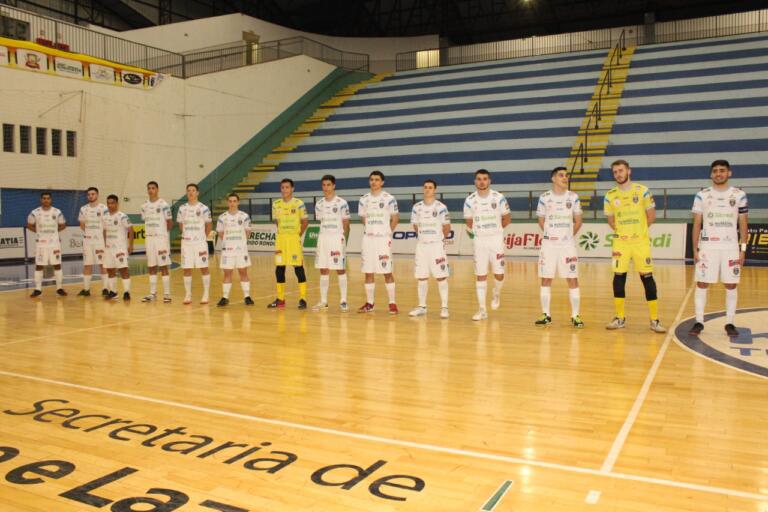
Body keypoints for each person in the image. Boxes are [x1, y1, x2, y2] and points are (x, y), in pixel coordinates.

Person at [603, 159, 666, 332]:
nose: (618, 174)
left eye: (621, 170)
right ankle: (620, 318)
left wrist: (638, 232)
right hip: (620, 244)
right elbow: (611, 220)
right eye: (615, 172)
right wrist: (623, 233)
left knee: (647, 278)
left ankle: (654, 320)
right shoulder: (610, 195)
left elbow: (651, 216)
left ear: (628, 171)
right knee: (618, 278)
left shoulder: (643, 191)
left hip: (640, 243)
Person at [689, 160, 748, 337]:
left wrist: (743, 249)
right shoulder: (702, 195)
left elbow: (743, 223)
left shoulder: (739, 195)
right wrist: (695, 249)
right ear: (711, 174)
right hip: (708, 247)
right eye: (715, 171)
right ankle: (699, 321)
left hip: (730, 247)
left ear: (729, 173)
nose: (718, 173)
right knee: (702, 283)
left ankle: (730, 322)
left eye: (722, 170)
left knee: (731, 284)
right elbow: (697, 223)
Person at [535, 167, 584, 327]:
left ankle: (575, 315)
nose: (565, 178)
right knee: (546, 278)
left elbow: (578, 221)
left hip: (567, 245)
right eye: (561, 175)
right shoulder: (544, 198)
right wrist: (550, 235)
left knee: (572, 278)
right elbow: (541, 220)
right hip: (548, 245)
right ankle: (546, 315)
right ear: (553, 179)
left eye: (566, 175)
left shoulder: (573, 197)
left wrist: (568, 236)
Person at [463, 169, 510, 321]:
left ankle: (496, 293)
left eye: (484, 179)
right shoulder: (469, 200)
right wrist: (477, 234)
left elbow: (507, 218)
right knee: (480, 275)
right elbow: (469, 222)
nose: (482, 181)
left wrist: (496, 231)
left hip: (496, 240)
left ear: (489, 181)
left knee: (499, 274)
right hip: (480, 241)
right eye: (479, 179)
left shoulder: (499, 197)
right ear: (475, 182)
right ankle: (482, 309)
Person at [357, 170, 399, 314]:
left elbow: (395, 218)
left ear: (382, 182)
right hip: (368, 239)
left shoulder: (389, 198)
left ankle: (392, 303)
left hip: (383, 239)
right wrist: (371, 230)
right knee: (368, 271)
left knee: (387, 271)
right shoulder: (363, 199)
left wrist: (387, 232)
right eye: (372, 179)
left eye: (376, 179)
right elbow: (363, 218)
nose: (373, 182)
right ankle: (370, 303)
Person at [409, 179, 451, 319]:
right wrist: (424, 237)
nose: (427, 189)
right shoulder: (416, 207)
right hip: (421, 246)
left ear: (435, 190)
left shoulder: (441, 207)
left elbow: (447, 227)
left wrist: (438, 240)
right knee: (422, 277)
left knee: (441, 276)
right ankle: (422, 306)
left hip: (436, 246)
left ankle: (444, 307)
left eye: (430, 187)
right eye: (425, 187)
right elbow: (415, 226)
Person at [312, 175, 350, 312]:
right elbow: (320, 221)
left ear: (334, 186)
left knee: (340, 268)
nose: (326, 188)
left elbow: (346, 224)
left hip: (337, 238)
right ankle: (323, 301)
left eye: (328, 185)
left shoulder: (342, 203)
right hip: (323, 238)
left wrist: (342, 239)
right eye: (324, 185)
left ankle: (343, 300)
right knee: (323, 269)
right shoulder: (319, 204)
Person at [268, 178, 309, 309]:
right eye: (282, 187)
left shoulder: (299, 204)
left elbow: (305, 222)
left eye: (287, 187)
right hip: (281, 240)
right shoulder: (276, 204)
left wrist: (297, 235)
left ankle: (303, 299)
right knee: (279, 268)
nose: (284, 190)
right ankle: (280, 299)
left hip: (293, 240)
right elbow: (276, 221)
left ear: (292, 189)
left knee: (298, 268)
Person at [216, 193, 254, 307]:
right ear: (227, 202)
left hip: (241, 250)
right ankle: (225, 297)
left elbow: (248, 232)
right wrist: (229, 242)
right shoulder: (222, 217)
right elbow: (220, 233)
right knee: (227, 273)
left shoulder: (244, 216)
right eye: (230, 201)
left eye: (234, 201)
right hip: (227, 250)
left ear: (238, 202)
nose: (232, 203)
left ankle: (247, 296)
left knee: (243, 272)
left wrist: (240, 243)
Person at [176, 183, 212, 305]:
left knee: (204, 267)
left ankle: (206, 294)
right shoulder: (182, 208)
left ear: (197, 193)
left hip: (200, 243)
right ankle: (188, 294)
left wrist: (202, 237)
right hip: (186, 243)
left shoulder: (204, 208)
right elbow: (181, 225)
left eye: (193, 190)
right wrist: (187, 235)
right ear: (187, 193)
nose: (191, 192)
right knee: (187, 269)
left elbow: (208, 225)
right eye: (189, 190)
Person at [27, 191, 67, 297]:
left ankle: (59, 288)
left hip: (54, 244)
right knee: (39, 266)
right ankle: (38, 289)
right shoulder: (35, 212)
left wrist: (54, 232)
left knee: (57, 265)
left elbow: (63, 225)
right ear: (41, 200)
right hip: (41, 244)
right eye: (44, 198)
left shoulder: (57, 212)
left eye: (48, 198)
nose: (46, 200)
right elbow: (29, 225)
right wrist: (39, 232)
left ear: (51, 200)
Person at [140, 181, 173, 303]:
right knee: (151, 266)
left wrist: (163, 234)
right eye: (149, 188)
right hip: (149, 238)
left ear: (157, 189)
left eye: (153, 188)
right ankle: (152, 293)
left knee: (163, 266)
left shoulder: (163, 204)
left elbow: (170, 222)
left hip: (161, 238)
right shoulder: (144, 206)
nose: (151, 190)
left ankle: (167, 294)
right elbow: (144, 220)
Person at [77, 187, 109, 297]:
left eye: (93, 194)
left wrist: (104, 240)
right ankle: (86, 290)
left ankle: (105, 289)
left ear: (97, 195)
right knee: (87, 265)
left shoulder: (103, 208)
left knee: (103, 264)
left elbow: (106, 227)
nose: (90, 196)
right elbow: (82, 225)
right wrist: (89, 233)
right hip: (87, 241)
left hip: (99, 241)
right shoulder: (83, 209)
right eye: (89, 194)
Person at [102, 195, 133, 301]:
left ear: (117, 204)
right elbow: (104, 231)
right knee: (110, 270)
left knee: (123, 270)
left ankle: (127, 292)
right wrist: (105, 244)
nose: (110, 205)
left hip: (120, 249)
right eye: (108, 203)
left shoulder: (122, 216)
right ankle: (113, 292)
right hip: (109, 248)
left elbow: (131, 230)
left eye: (112, 203)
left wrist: (131, 245)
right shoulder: (105, 217)